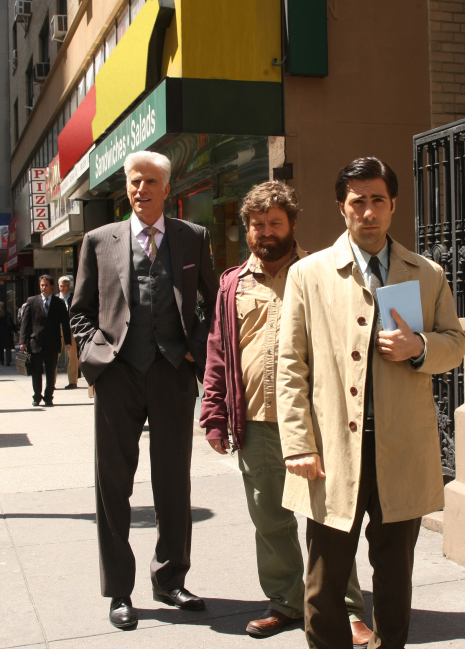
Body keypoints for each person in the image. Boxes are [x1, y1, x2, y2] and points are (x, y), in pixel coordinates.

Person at [277, 158, 465, 649]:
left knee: (395, 580)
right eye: (357, 201)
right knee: (324, 583)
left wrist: (419, 346)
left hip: (401, 450)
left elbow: (456, 342)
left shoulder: (426, 273)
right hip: (334, 453)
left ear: (393, 205)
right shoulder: (308, 274)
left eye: (378, 199)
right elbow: (290, 366)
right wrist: (299, 443)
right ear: (342, 207)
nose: (368, 211)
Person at [200, 182, 372, 645]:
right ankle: (285, 602)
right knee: (270, 521)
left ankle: (348, 607)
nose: (265, 232)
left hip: (315, 427)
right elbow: (219, 351)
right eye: (257, 224)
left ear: (292, 224)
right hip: (255, 424)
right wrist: (213, 413)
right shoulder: (232, 283)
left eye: (275, 222)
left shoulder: (320, 273)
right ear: (247, 229)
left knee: (329, 521)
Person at [70, 151, 218, 631]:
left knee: (173, 481)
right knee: (112, 484)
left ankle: (170, 577)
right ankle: (119, 590)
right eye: (134, 181)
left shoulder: (192, 237)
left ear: (166, 187)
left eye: (150, 181)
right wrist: (98, 361)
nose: (141, 189)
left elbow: (214, 304)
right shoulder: (98, 240)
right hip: (119, 374)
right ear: (127, 187)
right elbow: (79, 313)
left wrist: (195, 349)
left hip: (173, 373)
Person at [19, 275, 71, 406]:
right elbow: (26, 323)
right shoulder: (32, 301)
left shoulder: (58, 303)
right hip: (35, 342)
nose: (43, 287)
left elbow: (65, 323)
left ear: (52, 286)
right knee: (36, 371)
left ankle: (48, 396)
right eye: (41, 285)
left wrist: (68, 341)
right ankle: (37, 396)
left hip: (52, 342)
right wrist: (22, 341)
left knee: (50, 371)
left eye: (46, 285)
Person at [56, 276, 79, 389]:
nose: (62, 288)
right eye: (60, 286)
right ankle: (52, 382)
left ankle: (73, 381)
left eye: (64, 286)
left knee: (73, 356)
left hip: (70, 329)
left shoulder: (74, 298)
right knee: (54, 355)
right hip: (57, 329)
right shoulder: (55, 299)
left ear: (68, 286)